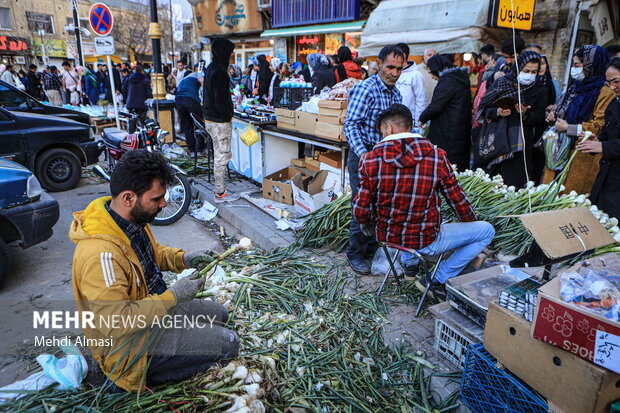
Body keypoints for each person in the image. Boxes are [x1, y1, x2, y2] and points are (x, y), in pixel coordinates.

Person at [70, 150, 239, 392]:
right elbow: (116, 322)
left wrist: (185, 259)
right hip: (130, 343)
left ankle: (179, 343)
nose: (164, 203)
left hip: (155, 313)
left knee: (220, 314)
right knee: (229, 344)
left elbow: (152, 253)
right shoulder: (100, 255)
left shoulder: (127, 220)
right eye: (157, 198)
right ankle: (125, 380)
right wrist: (174, 297)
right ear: (129, 198)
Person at [352, 104, 494, 297]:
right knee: (486, 230)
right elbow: (458, 201)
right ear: (409, 126)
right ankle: (436, 279)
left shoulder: (369, 160)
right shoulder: (436, 157)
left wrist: (365, 222)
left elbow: (360, 210)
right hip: (424, 239)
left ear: (389, 129)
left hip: (387, 237)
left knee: (406, 211)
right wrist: (470, 222)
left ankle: (410, 269)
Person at [343, 44, 405, 274]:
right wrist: (365, 156)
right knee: (362, 205)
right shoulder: (366, 89)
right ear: (379, 64)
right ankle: (355, 253)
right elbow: (350, 125)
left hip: (385, 158)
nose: (395, 73)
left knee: (380, 205)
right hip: (363, 155)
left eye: (399, 69)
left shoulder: (396, 93)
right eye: (390, 67)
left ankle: (370, 247)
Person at [544, 45, 614, 194]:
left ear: (591, 65)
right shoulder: (575, 86)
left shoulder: (606, 91)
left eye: (577, 65)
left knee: (569, 199)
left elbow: (600, 125)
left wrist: (569, 128)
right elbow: (563, 109)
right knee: (547, 193)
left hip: (581, 153)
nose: (574, 69)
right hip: (559, 147)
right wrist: (553, 116)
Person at [477, 51, 547, 187]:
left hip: (520, 145)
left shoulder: (540, 89)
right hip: (497, 140)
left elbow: (540, 118)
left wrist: (526, 113)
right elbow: (483, 109)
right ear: (518, 68)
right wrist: (497, 112)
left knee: (513, 184)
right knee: (491, 184)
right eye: (526, 70)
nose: (530, 75)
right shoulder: (502, 83)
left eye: (534, 72)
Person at [577, 57, 620, 219]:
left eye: (616, 81)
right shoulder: (614, 103)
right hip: (608, 175)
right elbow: (608, 134)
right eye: (609, 83)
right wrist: (597, 141)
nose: (613, 87)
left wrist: (603, 147)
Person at [418, 55, 472, 171]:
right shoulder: (459, 78)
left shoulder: (448, 82)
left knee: (447, 163)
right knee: (458, 162)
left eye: (432, 72)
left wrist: (422, 118)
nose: (432, 76)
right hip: (460, 127)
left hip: (448, 129)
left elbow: (436, 106)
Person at [203, 37, 239, 203]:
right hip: (219, 121)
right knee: (222, 155)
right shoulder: (219, 72)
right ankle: (220, 192)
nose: (231, 56)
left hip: (211, 119)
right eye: (230, 53)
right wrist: (228, 115)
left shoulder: (211, 68)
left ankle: (220, 189)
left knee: (219, 153)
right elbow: (220, 100)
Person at [395, 43, 426, 126]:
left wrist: (418, 123)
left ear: (404, 55)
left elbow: (420, 101)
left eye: (395, 54)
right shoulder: (393, 73)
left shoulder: (416, 75)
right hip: (393, 120)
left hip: (409, 122)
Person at [176, 72, 205, 157]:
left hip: (179, 100)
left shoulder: (182, 80)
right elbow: (202, 81)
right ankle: (200, 149)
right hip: (191, 100)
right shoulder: (197, 74)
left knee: (187, 126)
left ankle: (192, 150)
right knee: (198, 124)